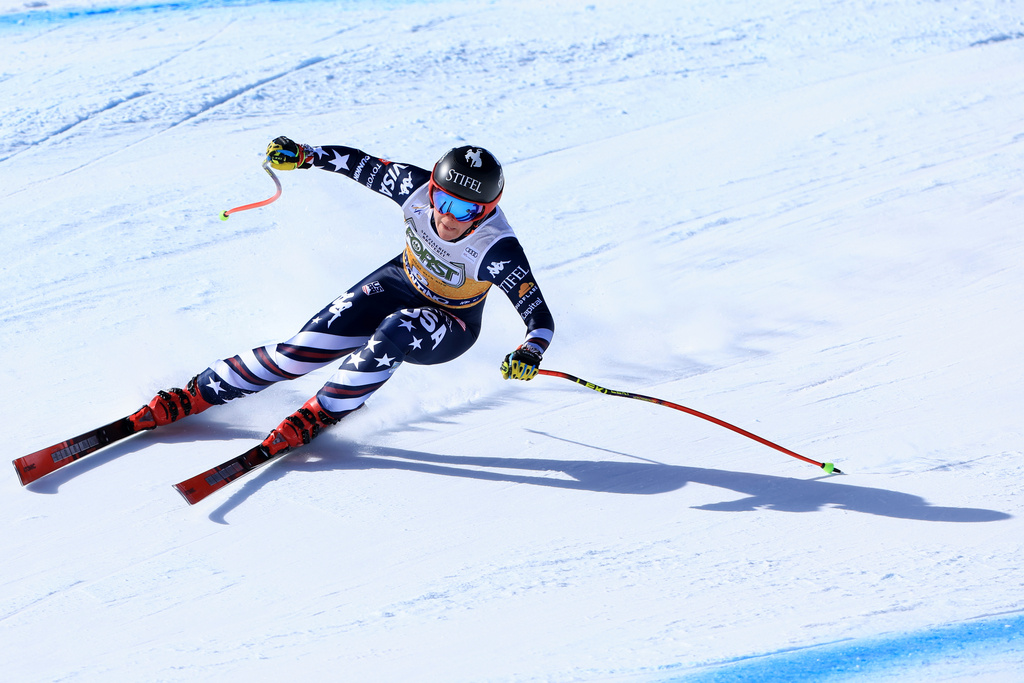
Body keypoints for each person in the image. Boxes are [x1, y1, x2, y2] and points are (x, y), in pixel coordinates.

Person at [126, 138, 555, 458]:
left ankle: (323, 411)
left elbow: (538, 317)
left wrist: (530, 351)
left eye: (465, 211)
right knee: (295, 354)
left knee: (398, 329)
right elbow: (359, 163)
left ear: (486, 211)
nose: (446, 217)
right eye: (442, 200)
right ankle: (196, 393)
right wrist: (305, 155)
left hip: (452, 322)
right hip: (399, 282)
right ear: (431, 188)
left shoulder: (496, 247)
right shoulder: (413, 188)